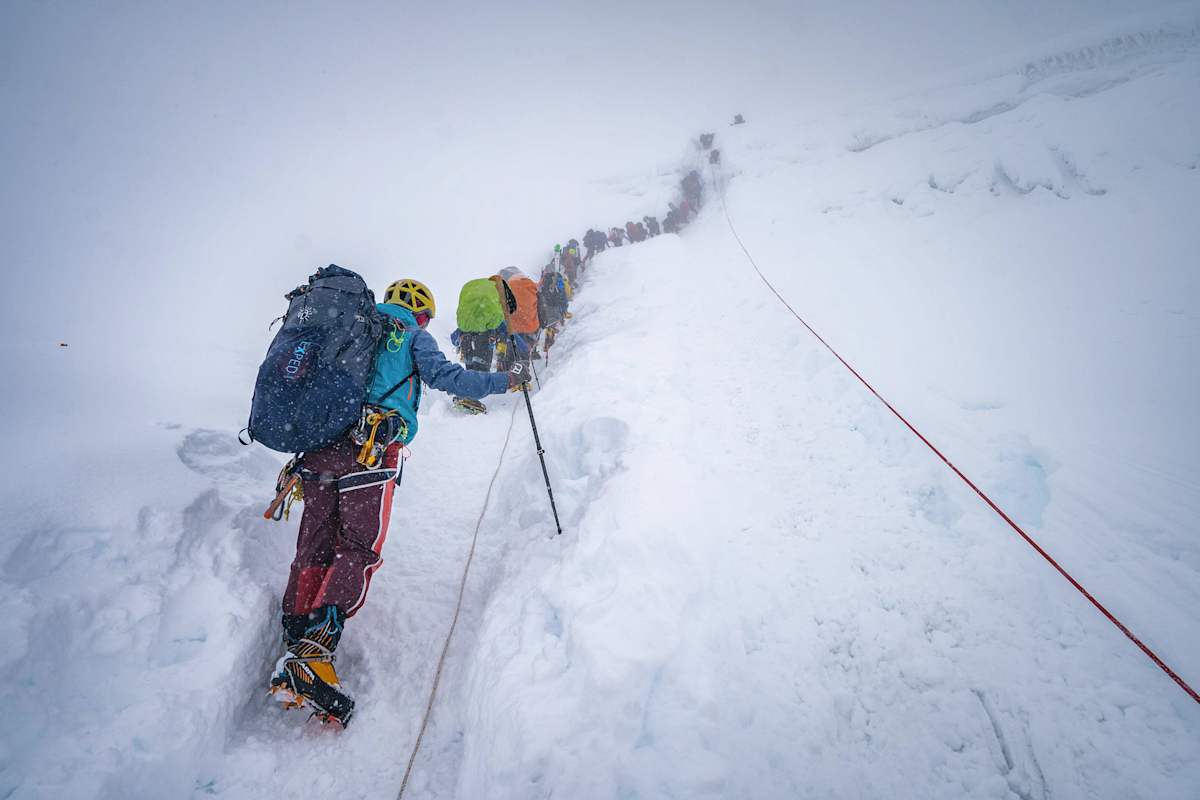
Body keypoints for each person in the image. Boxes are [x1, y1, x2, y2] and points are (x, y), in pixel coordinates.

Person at [269, 278, 524, 726]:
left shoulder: (350, 327)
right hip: (371, 450)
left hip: (320, 448)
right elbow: (449, 377)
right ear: (421, 314)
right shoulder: (410, 335)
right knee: (357, 546)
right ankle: (316, 653)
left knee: (314, 541)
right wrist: (505, 380)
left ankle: (295, 635)